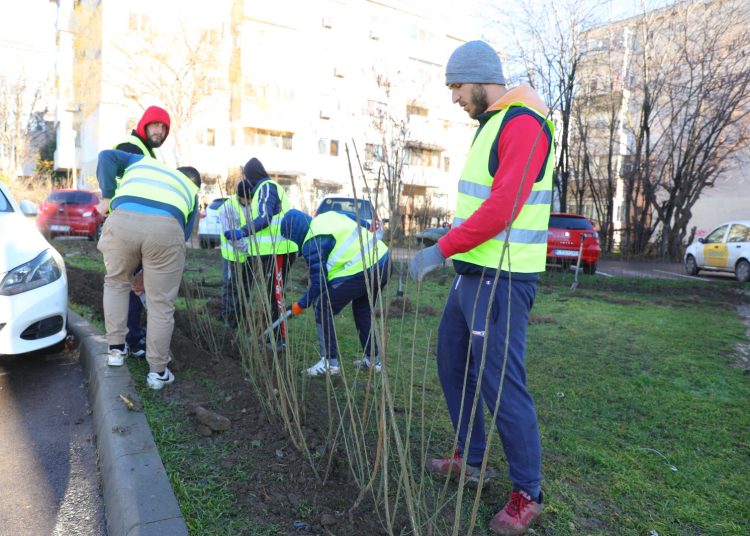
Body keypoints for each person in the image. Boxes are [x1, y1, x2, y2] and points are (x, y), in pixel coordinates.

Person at [408, 40, 553, 536]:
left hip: (503, 277)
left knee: (500, 380)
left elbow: (503, 208)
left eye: (455, 87)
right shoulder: (493, 125)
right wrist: (448, 243)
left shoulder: (524, 125)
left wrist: (439, 249)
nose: (453, 99)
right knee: (451, 359)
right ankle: (470, 459)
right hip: (474, 273)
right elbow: (479, 204)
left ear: (478, 79)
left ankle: (526, 493)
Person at [96, 148, 201, 390]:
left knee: (115, 282)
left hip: (122, 220)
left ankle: (115, 350)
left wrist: (107, 196)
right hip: (165, 230)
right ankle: (157, 373)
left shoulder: (143, 162)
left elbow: (105, 157)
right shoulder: (190, 191)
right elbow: (181, 236)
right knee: (160, 303)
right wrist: (147, 274)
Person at [280, 209, 390, 376]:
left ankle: (329, 363)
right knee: (363, 309)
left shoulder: (312, 241)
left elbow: (319, 284)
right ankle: (374, 360)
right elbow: (359, 220)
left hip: (365, 269)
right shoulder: (328, 216)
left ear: (294, 234)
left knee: (323, 305)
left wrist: (300, 305)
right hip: (383, 260)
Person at [114, 105, 172, 359]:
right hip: (129, 224)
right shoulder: (131, 147)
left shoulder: (149, 154)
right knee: (127, 285)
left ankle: (132, 337)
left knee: (135, 284)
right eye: (156, 125)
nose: (159, 131)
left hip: (138, 225)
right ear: (144, 124)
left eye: (164, 128)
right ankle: (127, 340)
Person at [222, 158, 298, 347]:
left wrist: (243, 231)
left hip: (278, 251)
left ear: (251, 175)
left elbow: (264, 217)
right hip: (271, 253)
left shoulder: (266, 187)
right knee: (271, 295)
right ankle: (271, 335)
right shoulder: (263, 190)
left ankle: (279, 340)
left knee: (276, 295)